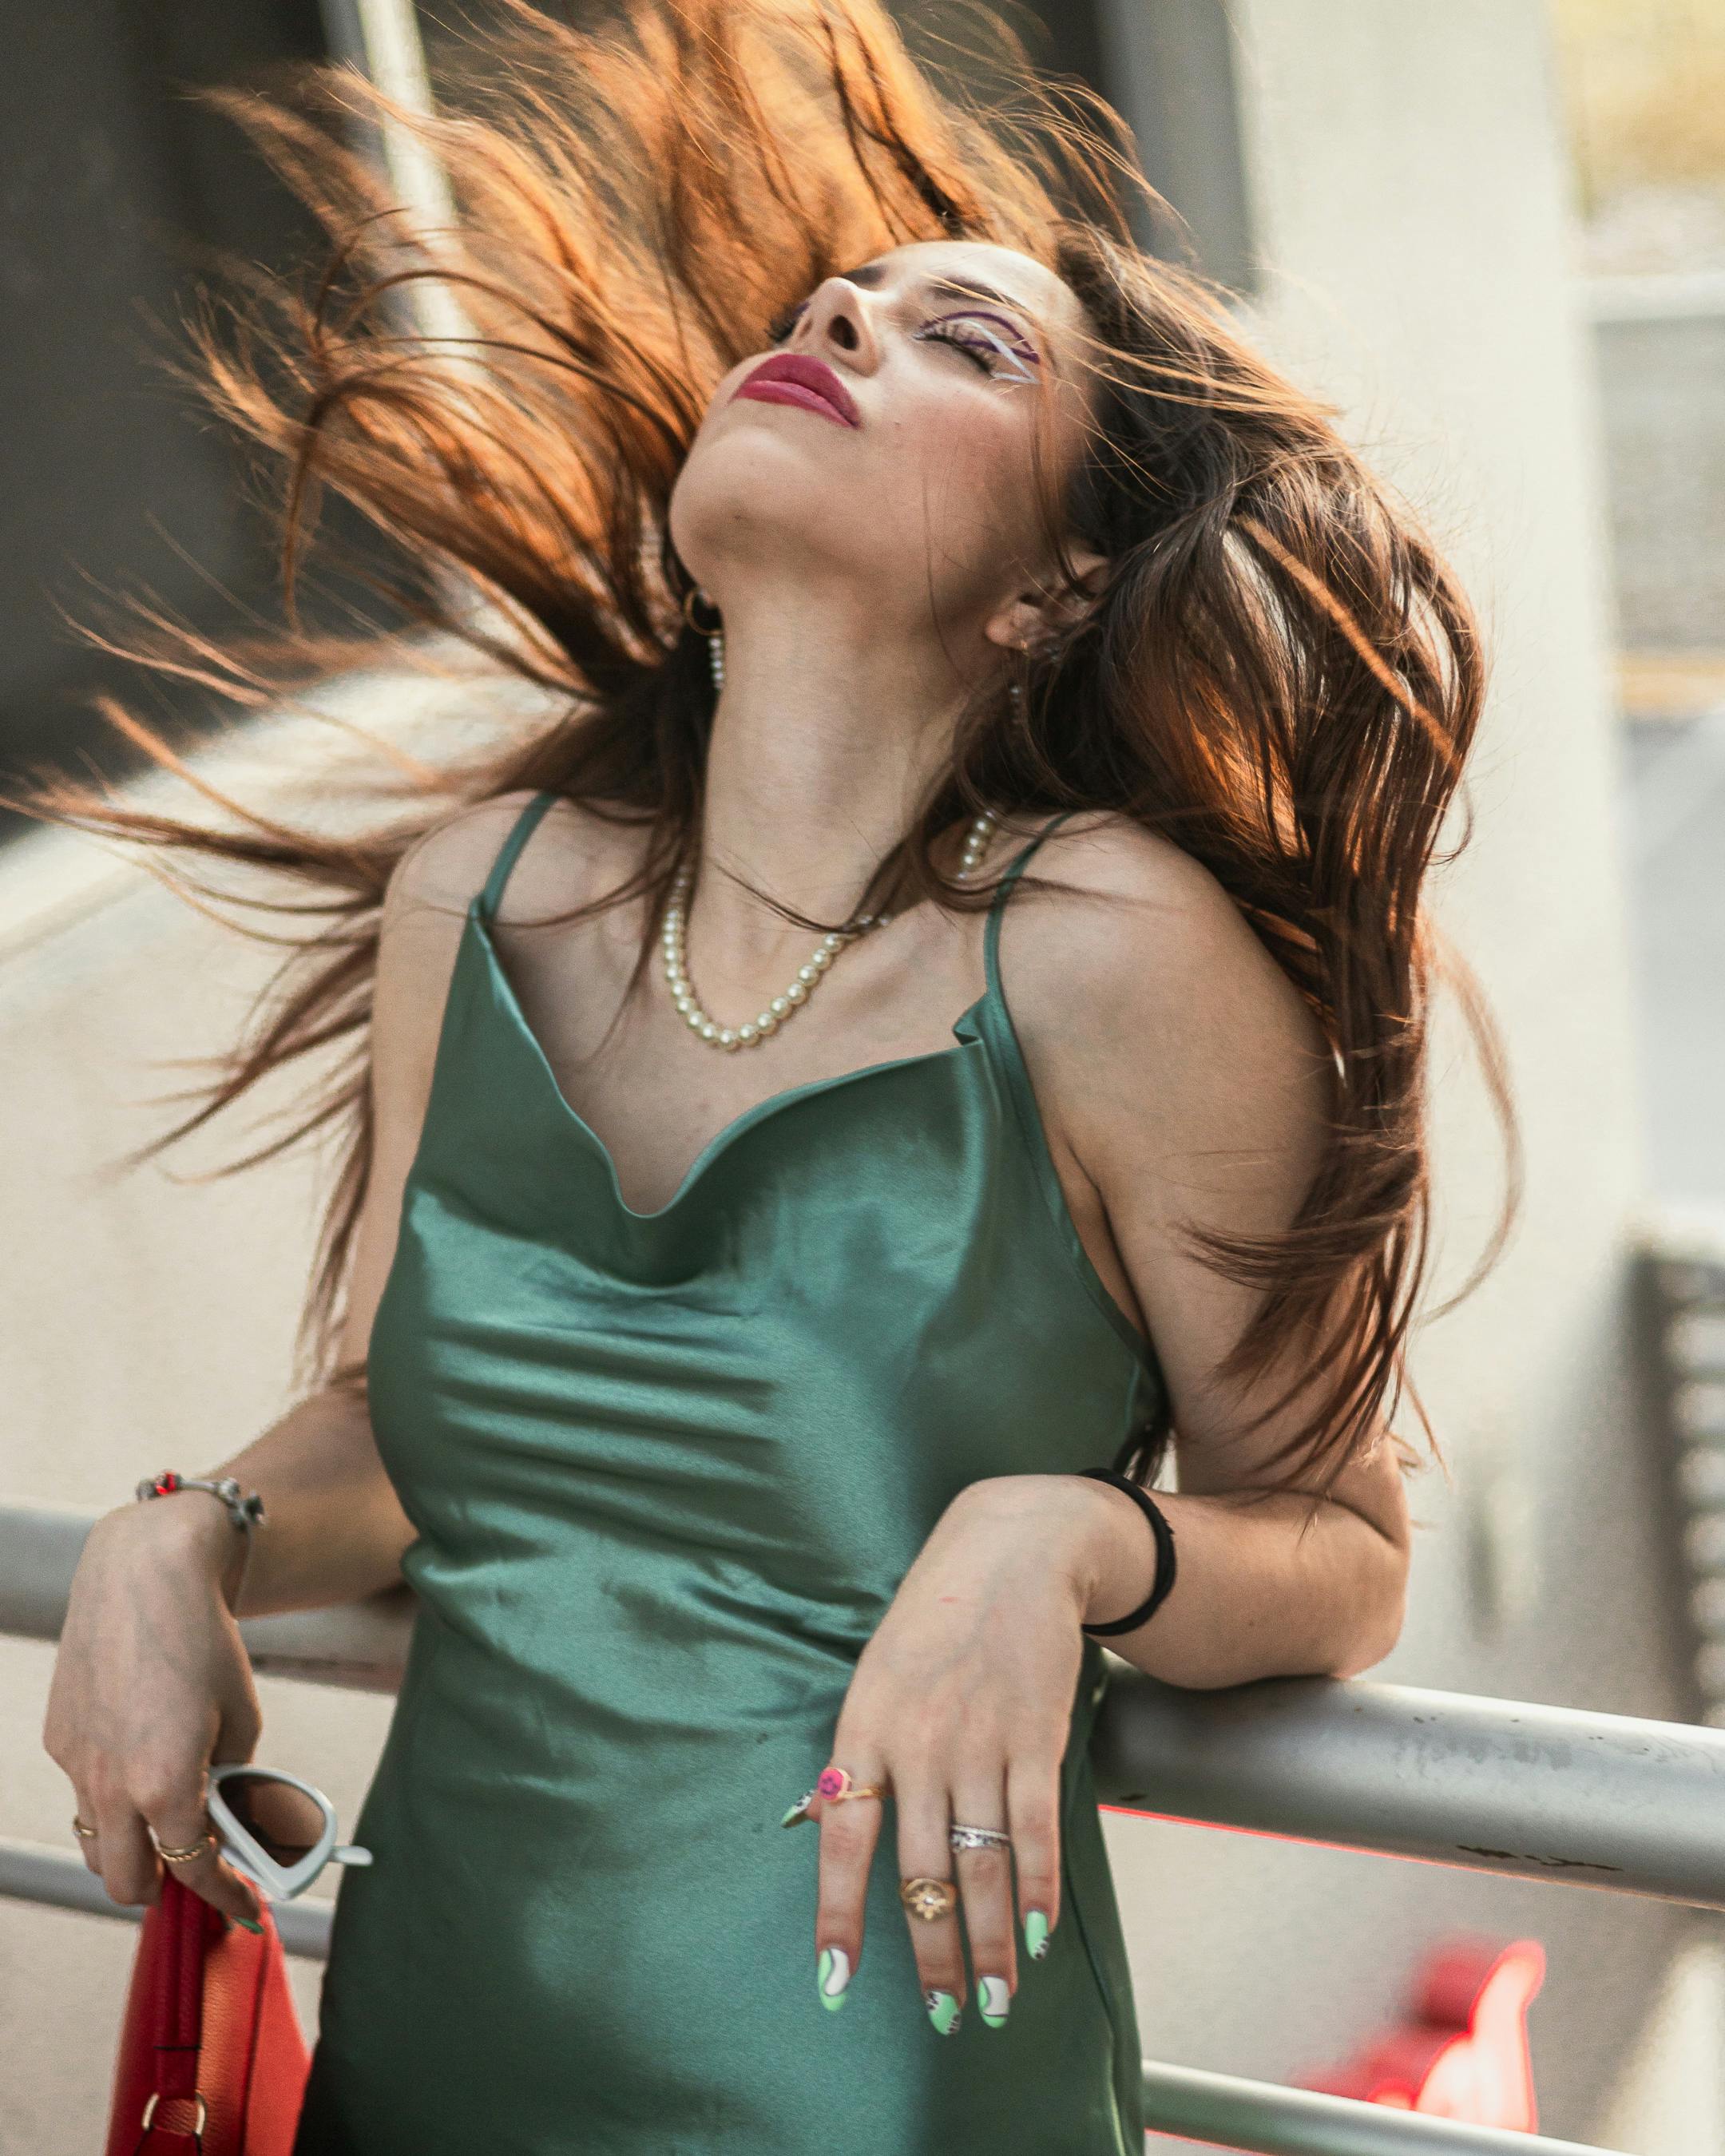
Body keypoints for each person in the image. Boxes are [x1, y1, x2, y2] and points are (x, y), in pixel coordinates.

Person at [31, 2, 1505, 2149]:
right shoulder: (480, 888)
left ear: (1062, 581)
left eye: (967, 346)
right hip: (425, 2055)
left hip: (879, 2097)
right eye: (844, 304)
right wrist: (183, 1533)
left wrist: (1061, 1536)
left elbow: (1340, 1544)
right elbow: (401, 1429)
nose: (847, 317)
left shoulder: (1110, 952)